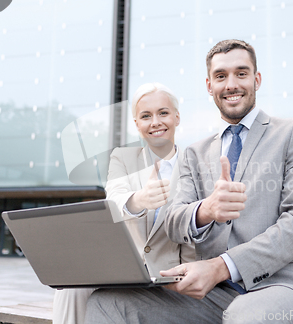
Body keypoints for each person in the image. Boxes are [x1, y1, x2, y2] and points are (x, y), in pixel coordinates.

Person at [85, 40, 293, 324]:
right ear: (209, 85)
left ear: (256, 79)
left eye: (241, 73)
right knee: (107, 303)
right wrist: (206, 210)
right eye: (221, 76)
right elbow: (175, 219)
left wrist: (221, 267)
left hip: (285, 284)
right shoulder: (195, 153)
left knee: (244, 317)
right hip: (215, 294)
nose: (231, 84)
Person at [53, 82, 195, 324]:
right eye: (146, 116)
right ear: (137, 124)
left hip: (170, 276)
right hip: (125, 270)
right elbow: (114, 201)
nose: (155, 122)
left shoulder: (196, 162)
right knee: (71, 287)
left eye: (163, 113)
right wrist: (140, 199)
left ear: (177, 117)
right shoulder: (122, 157)